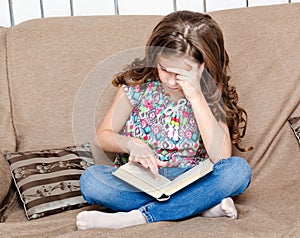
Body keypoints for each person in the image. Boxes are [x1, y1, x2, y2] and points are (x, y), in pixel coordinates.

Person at [76, 10, 252, 230]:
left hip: (190, 180)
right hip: (142, 181)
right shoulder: (137, 86)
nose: (171, 80)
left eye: (182, 72)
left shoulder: (210, 94)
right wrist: (132, 144)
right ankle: (200, 205)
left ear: (203, 66)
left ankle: (139, 217)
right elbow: (102, 137)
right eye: (164, 69)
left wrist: (196, 96)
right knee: (92, 180)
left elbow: (221, 156)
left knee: (238, 171)